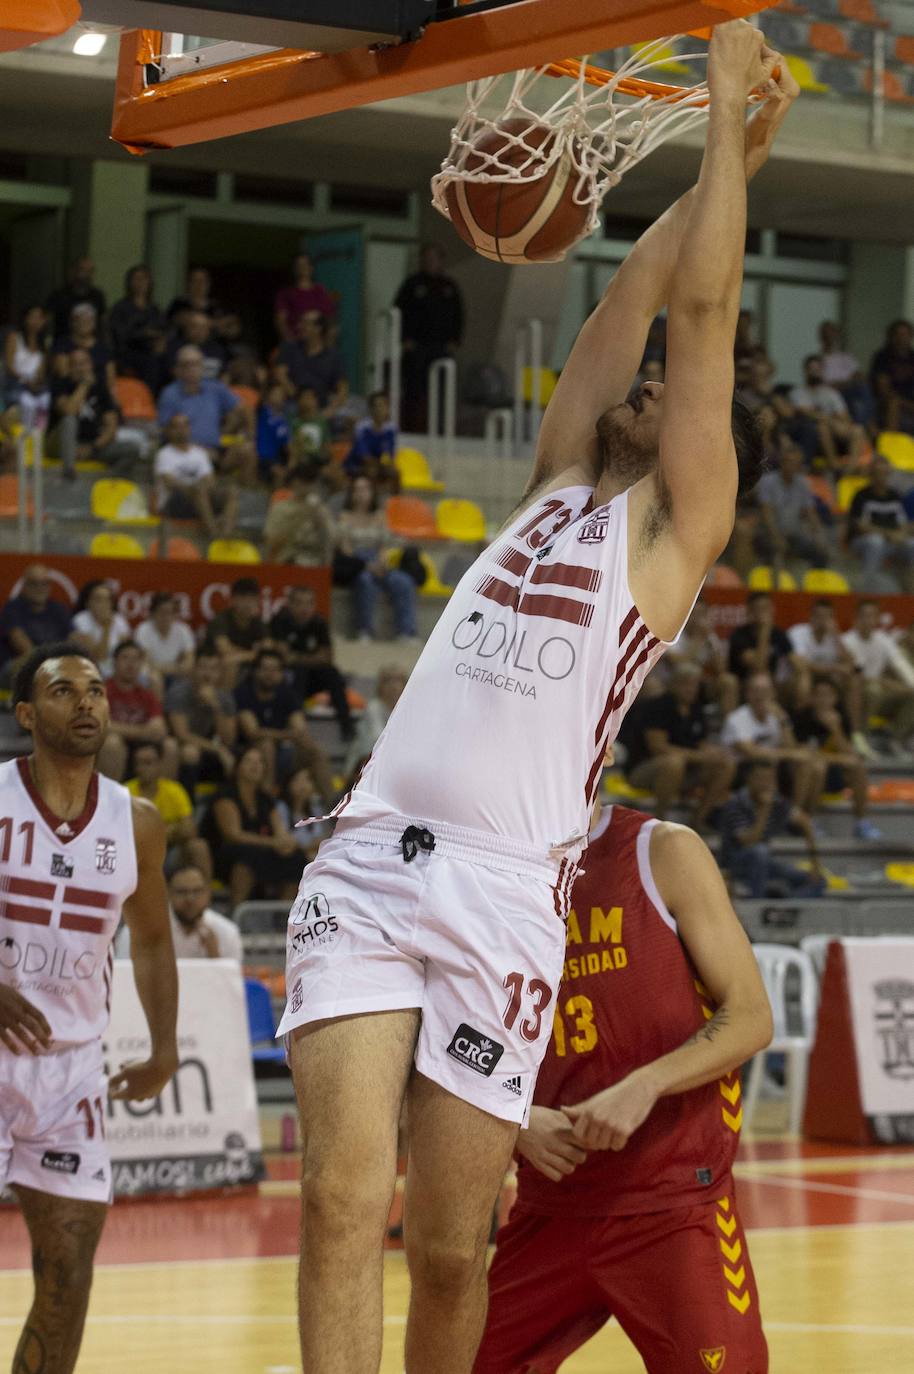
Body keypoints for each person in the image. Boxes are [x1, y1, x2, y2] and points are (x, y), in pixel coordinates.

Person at [277, 29, 792, 1374]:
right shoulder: (553, 486)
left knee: (453, 1249)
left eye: (652, 399)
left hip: (506, 894)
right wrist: (721, 159)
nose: (627, 392)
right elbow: (637, 287)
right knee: (340, 1199)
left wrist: (732, 101)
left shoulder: (673, 539)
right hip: (371, 862)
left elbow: (697, 321)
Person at [475, 804, 772, 1374]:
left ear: (605, 742)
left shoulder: (662, 850)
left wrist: (646, 1085)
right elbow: (451, 1041)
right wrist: (512, 1117)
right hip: (549, 1204)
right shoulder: (481, 872)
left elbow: (752, 1016)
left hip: (673, 1203)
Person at [2, 642, 177, 1374]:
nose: (85, 703)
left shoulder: (135, 823)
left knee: (68, 1275)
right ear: (24, 713)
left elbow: (153, 942)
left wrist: (164, 1050)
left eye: (97, 691)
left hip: (70, 1072)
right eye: (63, 691)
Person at [624, 662, 736, 825]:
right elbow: (658, 748)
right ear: (673, 684)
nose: (691, 689)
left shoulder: (695, 709)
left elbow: (700, 743)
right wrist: (700, 757)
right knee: (673, 763)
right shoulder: (658, 706)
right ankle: (660, 820)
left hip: (685, 769)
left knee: (726, 763)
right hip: (644, 768)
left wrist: (713, 753)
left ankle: (699, 819)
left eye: (694, 684)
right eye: (685, 683)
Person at [203, 744, 307, 908]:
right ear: (237, 767)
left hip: (260, 850)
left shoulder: (266, 799)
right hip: (225, 853)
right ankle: (236, 913)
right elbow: (233, 834)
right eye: (249, 761)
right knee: (246, 860)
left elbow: (280, 832)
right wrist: (274, 843)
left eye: (259, 762)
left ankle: (283, 918)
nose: (255, 765)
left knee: (296, 858)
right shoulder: (225, 796)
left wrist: (287, 844)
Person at [234, 646, 336, 801]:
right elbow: (252, 732)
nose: (270, 674)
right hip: (249, 753)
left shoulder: (287, 694)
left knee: (315, 751)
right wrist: (286, 735)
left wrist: (289, 736)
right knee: (266, 745)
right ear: (255, 671)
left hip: (283, 753)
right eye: (265, 669)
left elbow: (299, 729)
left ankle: (334, 808)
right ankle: (267, 803)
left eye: (275, 670)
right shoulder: (243, 693)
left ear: (282, 674)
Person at [717, 758, 826, 898]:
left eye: (769, 779)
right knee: (759, 852)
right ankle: (758, 903)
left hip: (764, 864)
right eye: (760, 778)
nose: (765, 783)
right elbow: (748, 841)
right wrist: (764, 810)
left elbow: (805, 822)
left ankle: (781, 904)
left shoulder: (777, 801)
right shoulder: (735, 803)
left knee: (817, 881)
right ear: (749, 779)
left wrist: (815, 863)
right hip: (735, 863)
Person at [721, 671, 827, 813]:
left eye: (765, 691)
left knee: (814, 766)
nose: (761, 696)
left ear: (773, 694)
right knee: (769, 764)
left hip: (776, 765)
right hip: (744, 769)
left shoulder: (776, 716)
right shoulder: (737, 718)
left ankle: (798, 815)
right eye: (756, 691)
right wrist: (788, 754)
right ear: (747, 694)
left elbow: (791, 746)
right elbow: (749, 751)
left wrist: (783, 721)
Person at [791, 677, 881, 840]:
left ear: (835, 698)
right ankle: (808, 819)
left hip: (833, 771)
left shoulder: (841, 717)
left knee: (858, 767)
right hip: (805, 773)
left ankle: (861, 823)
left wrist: (835, 729)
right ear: (812, 697)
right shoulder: (802, 717)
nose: (823, 700)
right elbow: (804, 754)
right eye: (819, 695)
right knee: (818, 767)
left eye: (827, 695)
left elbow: (850, 755)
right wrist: (837, 759)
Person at [336, 473, 418, 642]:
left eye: (365, 489)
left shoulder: (380, 516)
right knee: (365, 582)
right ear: (351, 493)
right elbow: (346, 549)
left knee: (403, 581)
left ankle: (406, 632)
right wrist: (366, 565)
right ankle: (364, 630)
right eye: (357, 490)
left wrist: (381, 562)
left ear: (372, 493)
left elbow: (384, 544)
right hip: (357, 563)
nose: (361, 493)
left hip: (378, 560)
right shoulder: (344, 517)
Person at [270, 584, 354, 741]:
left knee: (332, 672)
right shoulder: (280, 621)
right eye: (299, 603)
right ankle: (296, 721)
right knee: (299, 671)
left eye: (309, 603)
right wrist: (312, 658)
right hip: (287, 678)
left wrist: (298, 658)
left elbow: (327, 658)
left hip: (312, 677)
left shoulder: (319, 623)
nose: (304, 608)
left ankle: (346, 723)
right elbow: (284, 657)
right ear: (290, 604)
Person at [157, 346, 254, 482]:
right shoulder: (170, 394)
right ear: (177, 369)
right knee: (198, 459)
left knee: (246, 450)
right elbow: (166, 430)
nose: (191, 369)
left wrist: (249, 434)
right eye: (186, 365)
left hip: (217, 448)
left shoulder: (215, 388)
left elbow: (245, 408)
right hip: (185, 451)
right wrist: (195, 450)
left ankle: (246, 497)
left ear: (202, 367)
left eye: (196, 364)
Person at [395, 243, 465, 431]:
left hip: (441, 347)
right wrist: (404, 339)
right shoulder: (412, 284)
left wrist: (454, 341)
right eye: (426, 258)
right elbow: (399, 311)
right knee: (414, 390)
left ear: (441, 261)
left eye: (433, 258)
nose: (429, 262)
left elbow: (459, 315)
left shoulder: (449, 286)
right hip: (416, 346)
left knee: (441, 391)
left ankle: (440, 429)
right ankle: (410, 427)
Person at [116, 863, 243, 961]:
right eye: (182, 892)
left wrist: (214, 956)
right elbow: (123, 979)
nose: (190, 899)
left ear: (208, 893)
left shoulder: (227, 933)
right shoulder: (139, 931)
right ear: (168, 894)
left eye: (197, 891)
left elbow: (234, 990)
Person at [126, 739, 213, 878]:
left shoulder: (174, 790)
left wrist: (156, 833)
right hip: (136, 853)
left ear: (159, 764)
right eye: (139, 763)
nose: (143, 768)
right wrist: (170, 829)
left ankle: (204, 896)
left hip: (171, 850)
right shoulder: (125, 792)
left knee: (198, 846)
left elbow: (189, 829)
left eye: (148, 763)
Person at [97, 640, 178, 783]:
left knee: (170, 746)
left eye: (135, 659)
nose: (131, 664)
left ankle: (162, 800)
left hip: (141, 746)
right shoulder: (102, 691)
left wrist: (125, 729)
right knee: (112, 743)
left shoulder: (147, 694)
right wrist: (142, 731)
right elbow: (101, 725)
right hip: (110, 747)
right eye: (125, 658)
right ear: (114, 662)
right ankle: (109, 802)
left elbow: (159, 729)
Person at [787, 598, 866, 745]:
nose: (822, 621)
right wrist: (834, 668)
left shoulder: (834, 636)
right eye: (818, 616)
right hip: (795, 679)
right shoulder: (798, 632)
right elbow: (801, 665)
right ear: (811, 617)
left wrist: (836, 636)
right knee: (804, 679)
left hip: (826, 681)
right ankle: (800, 731)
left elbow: (851, 664)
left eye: (827, 617)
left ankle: (855, 733)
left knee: (854, 680)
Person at [842, 599, 914, 747]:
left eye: (872, 616)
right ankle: (862, 737)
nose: (868, 620)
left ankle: (895, 740)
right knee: (873, 690)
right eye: (864, 616)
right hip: (854, 693)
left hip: (880, 690)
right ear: (856, 618)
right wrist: (882, 682)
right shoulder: (847, 641)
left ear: (877, 619)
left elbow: (901, 666)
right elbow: (858, 675)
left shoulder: (884, 640)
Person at [154, 412, 237, 539]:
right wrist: (193, 487)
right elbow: (169, 482)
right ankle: (213, 534)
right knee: (198, 489)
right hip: (173, 503)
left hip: (200, 498)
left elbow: (210, 480)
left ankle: (227, 535)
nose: (181, 430)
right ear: (170, 431)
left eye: (185, 426)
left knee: (231, 492)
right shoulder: (164, 454)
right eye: (177, 426)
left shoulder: (199, 453)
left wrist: (200, 487)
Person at [166, 649, 238, 792]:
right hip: (181, 746)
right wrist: (218, 749)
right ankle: (188, 806)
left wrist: (215, 706)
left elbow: (229, 739)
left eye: (213, 669)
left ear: (220, 673)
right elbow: (182, 735)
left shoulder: (224, 698)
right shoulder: (179, 693)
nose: (207, 673)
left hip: (210, 746)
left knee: (240, 760)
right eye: (203, 667)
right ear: (194, 669)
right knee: (190, 752)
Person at [48, 348, 124, 479]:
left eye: (83, 363)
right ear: (69, 368)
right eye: (75, 364)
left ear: (91, 365)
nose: (80, 368)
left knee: (132, 450)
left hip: (90, 445)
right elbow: (69, 411)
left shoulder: (101, 388)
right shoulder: (60, 384)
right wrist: (84, 385)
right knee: (69, 420)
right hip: (59, 444)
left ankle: (106, 482)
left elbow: (111, 426)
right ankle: (69, 472)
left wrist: (92, 448)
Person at [754, 442, 830, 567]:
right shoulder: (768, 481)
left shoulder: (803, 483)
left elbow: (811, 514)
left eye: (796, 463)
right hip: (768, 533)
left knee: (820, 552)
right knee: (776, 549)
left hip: (794, 534)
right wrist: (776, 536)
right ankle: (777, 584)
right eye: (788, 462)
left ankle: (816, 583)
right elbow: (767, 514)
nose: (792, 465)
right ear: (782, 463)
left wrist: (819, 536)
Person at [846, 454, 914, 590]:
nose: (881, 477)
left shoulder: (895, 496)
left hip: (891, 541)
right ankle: (868, 585)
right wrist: (889, 534)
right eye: (878, 473)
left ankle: (910, 589)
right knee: (875, 541)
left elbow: (904, 523)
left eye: (884, 473)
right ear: (871, 474)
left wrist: (901, 533)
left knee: (912, 544)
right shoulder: (861, 496)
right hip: (862, 541)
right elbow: (860, 526)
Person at [664, 598, 739, 719]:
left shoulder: (709, 635)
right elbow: (676, 663)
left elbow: (721, 670)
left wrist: (711, 643)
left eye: (701, 614)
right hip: (674, 682)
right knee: (688, 676)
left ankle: (729, 728)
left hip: (700, 683)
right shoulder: (674, 632)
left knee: (728, 681)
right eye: (694, 613)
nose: (697, 619)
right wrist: (698, 640)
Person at [788, 354, 865, 472]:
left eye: (817, 369)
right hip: (813, 438)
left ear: (822, 371)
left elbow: (845, 417)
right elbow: (805, 413)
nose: (814, 372)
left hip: (836, 433)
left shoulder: (831, 393)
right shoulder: (797, 393)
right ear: (805, 371)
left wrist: (831, 421)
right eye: (811, 369)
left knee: (858, 430)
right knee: (822, 426)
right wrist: (830, 419)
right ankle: (834, 466)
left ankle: (850, 469)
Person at [0, 564, 71, 676]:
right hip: (19, 667)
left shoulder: (58, 609)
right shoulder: (12, 608)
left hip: (54, 664)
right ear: (24, 585)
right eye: (34, 583)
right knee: (26, 662)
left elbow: (75, 639)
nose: (40, 588)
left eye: (44, 583)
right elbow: (23, 647)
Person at [264, 461, 335, 566]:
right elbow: (271, 541)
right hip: (286, 561)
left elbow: (332, 538)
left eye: (311, 481)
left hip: (314, 562)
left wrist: (321, 524)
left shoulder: (319, 508)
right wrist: (300, 516)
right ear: (294, 481)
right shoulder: (280, 508)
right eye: (304, 480)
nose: (307, 485)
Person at [202, 576, 270, 685]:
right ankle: (226, 700)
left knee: (270, 664)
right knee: (230, 662)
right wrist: (253, 654)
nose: (248, 604)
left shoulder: (257, 622)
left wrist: (247, 655)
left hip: (245, 663)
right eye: (243, 598)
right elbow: (224, 650)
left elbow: (267, 649)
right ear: (233, 600)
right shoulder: (221, 620)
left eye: (252, 599)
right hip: (215, 665)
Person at [343, 664, 408, 778]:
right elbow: (379, 740)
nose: (393, 686)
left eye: (398, 680)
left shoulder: (407, 710)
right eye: (388, 680)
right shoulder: (373, 708)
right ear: (380, 686)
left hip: (393, 764)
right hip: (363, 766)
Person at [108, 263, 166, 391]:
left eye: (144, 279)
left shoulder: (155, 308)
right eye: (136, 279)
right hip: (128, 355)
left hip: (151, 356)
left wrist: (161, 340)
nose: (141, 283)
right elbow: (119, 335)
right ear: (129, 282)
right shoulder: (120, 307)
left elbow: (163, 330)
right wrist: (145, 334)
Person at [727, 590, 797, 691]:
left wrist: (801, 671)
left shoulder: (778, 634)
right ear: (749, 611)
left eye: (765, 608)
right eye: (758, 608)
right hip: (744, 683)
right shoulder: (739, 635)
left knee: (799, 678)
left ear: (772, 609)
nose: (762, 613)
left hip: (772, 682)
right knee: (761, 678)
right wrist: (764, 632)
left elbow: (794, 660)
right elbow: (758, 665)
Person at [275, 311, 344, 405]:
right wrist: (299, 399)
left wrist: (328, 412)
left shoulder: (333, 356)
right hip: (293, 404)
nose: (300, 326)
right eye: (301, 322)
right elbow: (280, 374)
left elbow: (342, 388)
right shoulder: (290, 348)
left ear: (318, 328)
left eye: (306, 323)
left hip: (322, 406)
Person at [69, 580, 131, 678]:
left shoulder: (119, 620)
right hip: (92, 670)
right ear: (88, 602)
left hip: (119, 670)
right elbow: (99, 657)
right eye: (98, 599)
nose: (104, 604)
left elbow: (127, 652)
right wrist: (106, 628)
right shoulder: (80, 621)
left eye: (107, 600)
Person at [51, 303, 116, 394]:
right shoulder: (62, 345)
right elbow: (63, 374)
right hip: (71, 393)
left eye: (88, 320)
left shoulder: (103, 348)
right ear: (72, 322)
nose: (84, 323)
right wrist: (86, 381)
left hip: (100, 395)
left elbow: (110, 381)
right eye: (80, 319)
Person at [3, 304, 50, 428]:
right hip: (15, 382)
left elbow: (41, 373)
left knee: (45, 397)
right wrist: (25, 379)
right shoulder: (14, 337)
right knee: (27, 402)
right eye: (32, 317)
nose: (36, 321)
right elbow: (8, 366)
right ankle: (24, 436)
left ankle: (38, 434)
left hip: (32, 384)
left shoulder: (43, 346)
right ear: (25, 319)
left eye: (40, 318)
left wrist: (36, 381)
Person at [274, 251, 337, 342]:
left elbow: (330, 318)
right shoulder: (286, 293)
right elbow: (281, 322)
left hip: (318, 345)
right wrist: (290, 342)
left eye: (305, 264)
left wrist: (328, 343)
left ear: (311, 268)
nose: (302, 268)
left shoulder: (320, 291)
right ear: (294, 269)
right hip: (296, 344)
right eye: (299, 265)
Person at [134, 592, 196, 683]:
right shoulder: (143, 630)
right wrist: (175, 668)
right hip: (152, 673)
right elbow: (146, 661)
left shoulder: (183, 630)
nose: (166, 617)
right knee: (155, 678)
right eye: (162, 612)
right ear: (153, 613)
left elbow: (189, 661)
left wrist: (173, 669)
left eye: (169, 612)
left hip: (177, 675)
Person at [344, 390, 399, 483]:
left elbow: (389, 455)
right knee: (372, 470)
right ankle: (372, 497)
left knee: (395, 472)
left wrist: (388, 463)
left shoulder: (392, 429)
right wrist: (380, 463)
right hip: (357, 463)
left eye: (382, 405)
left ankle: (394, 497)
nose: (379, 409)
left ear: (387, 408)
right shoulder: (361, 427)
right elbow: (365, 456)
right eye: (376, 406)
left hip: (378, 464)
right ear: (371, 409)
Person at [871, 319, 914, 435]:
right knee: (894, 403)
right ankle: (891, 443)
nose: (901, 338)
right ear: (891, 336)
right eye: (898, 334)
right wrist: (906, 404)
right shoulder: (882, 357)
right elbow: (884, 390)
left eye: (905, 334)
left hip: (910, 402)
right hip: (890, 403)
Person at [45, 255, 106, 336]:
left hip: (92, 345)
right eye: (83, 270)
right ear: (73, 271)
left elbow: (103, 323)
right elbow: (48, 322)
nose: (87, 274)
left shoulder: (97, 296)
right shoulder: (58, 296)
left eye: (90, 271)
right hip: (63, 344)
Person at [256, 381, 293, 484]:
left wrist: (291, 464)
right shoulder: (262, 412)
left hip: (272, 460)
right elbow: (259, 399)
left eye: (281, 395)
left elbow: (288, 446)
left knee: (281, 473)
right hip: (258, 456)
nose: (278, 397)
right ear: (268, 396)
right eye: (275, 394)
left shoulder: (283, 423)